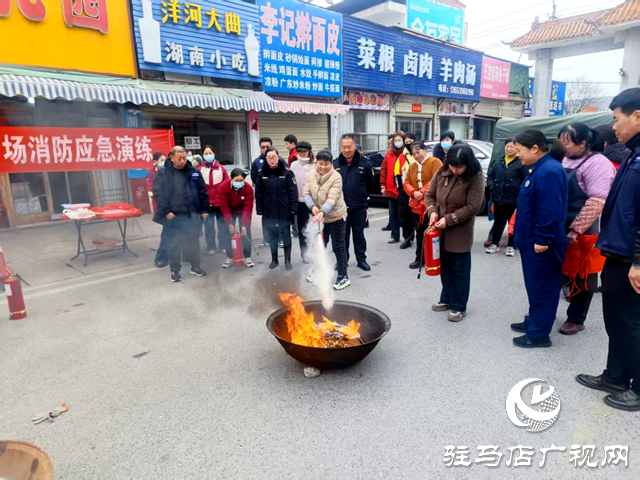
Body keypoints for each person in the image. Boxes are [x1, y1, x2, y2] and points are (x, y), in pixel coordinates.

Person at [577, 88, 640, 411]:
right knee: (616, 319)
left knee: (632, 323)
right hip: (617, 251)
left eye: (617, 119)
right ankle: (615, 376)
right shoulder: (631, 153)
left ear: (637, 116)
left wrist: (639, 261)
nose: (614, 127)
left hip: (633, 257)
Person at [510, 130, 568, 348]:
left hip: (542, 243)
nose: (518, 155)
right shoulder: (538, 169)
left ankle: (539, 334)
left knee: (543, 288)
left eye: (520, 150)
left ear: (535, 148)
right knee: (535, 286)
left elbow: (548, 209)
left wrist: (542, 239)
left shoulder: (549, 171)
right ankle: (533, 321)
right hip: (531, 241)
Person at [557, 123, 616, 335]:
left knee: (583, 276)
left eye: (567, 143)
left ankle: (576, 318)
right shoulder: (563, 159)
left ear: (583, 143)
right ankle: (544, 310)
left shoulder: (598, 163)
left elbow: (596, 201)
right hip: (557, 226)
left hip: (584, 228)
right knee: (555, 272)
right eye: (560, 142)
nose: (563, 147)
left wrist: (576, 230)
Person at [425, 144, 484, 322]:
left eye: (459, 167)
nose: (455, 169)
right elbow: (430, 196)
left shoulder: (476, 177)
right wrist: (433, 211)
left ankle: (459, 305)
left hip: (460, 231)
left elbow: (473, 207)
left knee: (460, 269)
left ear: (468, 164)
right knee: (445, 267)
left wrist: (449, 219)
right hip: (439, 229)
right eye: (452, 165)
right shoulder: (442, 171)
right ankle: (446, 298)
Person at [152, 146, 209, 283]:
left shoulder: (194, 171)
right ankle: (175, 270)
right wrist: (166, 211)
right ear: (171, 157)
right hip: (174, 216)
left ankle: (195, 266)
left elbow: (202, 192)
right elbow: (158, 195)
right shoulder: (164, 173)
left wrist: (204, 209)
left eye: (184, 158)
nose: (183, 161)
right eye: (179, 158)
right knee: (175, 244)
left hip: (192, 214)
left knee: (194, 242)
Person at [303, 149, 350, 290]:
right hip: (319, 217)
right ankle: (318, 271)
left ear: (331, 163)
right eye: (320, 164)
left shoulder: (336, 177)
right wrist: (312, 207)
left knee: (338, 247)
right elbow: (306, 193)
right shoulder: (311, 174)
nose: (323, 167)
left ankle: (343, 276)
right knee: (319, 246)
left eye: (326, 164)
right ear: (316, 162)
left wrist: (322, 211)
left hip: (335, 216)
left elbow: (332, 198)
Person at [334, 134, 375, 271]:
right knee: (342, 238)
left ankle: (361, 260)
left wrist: (362, 197)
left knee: (359, 236)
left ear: (354, 146)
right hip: (341, 209)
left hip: (359, 207)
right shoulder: (335, 164)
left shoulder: (365, 163)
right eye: (344, 147)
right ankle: (342, 261)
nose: (346, 150)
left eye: (349, 147)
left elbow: (371, 184)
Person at [255, 147, 298, 270]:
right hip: (269, 210)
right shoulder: (261, 175)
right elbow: (258, 193)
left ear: (278, 157)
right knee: (272, 236)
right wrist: (260, 208)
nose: (272, 160)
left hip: (284, 209)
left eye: (274, 157)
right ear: (266, 159)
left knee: (285, 236)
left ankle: (287, 260)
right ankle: (274, 259)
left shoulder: (287, 173)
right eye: (269, 158)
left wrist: (293, 208)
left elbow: (293, 192)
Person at [486, 138, 527, 257]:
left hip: (514, 199)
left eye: (511, 147)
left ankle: (511, 246)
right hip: (499, 198)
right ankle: (494, 243)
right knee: (498, 222)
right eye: (507, 146)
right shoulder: (498, 162)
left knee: (513, 224)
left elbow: (526, 180)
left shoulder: (520, 163)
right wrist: (492, 187)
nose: (509, 149)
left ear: (517, 148)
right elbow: (490, 177)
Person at [404, 142, 442, 269]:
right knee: (420, 232)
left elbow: (436, 180)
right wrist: (413, 192)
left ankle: (436, 258)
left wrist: (422, 192)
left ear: (425, 150)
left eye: (418, 152)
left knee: (434, 231)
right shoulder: (412, 166)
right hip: (416, 205)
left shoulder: (435, 162)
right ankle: (420, 258)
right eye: (413, 154)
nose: (416, 156)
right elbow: (407, 182)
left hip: (432, 204)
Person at [219, 168, 255, 269]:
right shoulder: (223, 187)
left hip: (242, 210)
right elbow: (224, 206)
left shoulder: (248, 188)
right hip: (229, 210)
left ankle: (247, 257)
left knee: (246, 232)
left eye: (241, 181)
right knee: (228, 232)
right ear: (231, 179)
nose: (239, 183)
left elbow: (248, 208)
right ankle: (230, 256)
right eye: (236, 181)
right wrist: (229, 223)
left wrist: (244, 224)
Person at [198, 145, 229, 255]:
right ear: (202, 156)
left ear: (214, 154)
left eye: (210, 153)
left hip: (220, 203)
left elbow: (227, 185)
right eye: (206, 154)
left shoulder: (221, 169)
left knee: (222, 226)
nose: (208, 155)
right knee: (209, 227)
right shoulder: (199, 169)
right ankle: (211, 247)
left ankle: (223, 245)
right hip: (207, 204)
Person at [289, 141, 314, 262]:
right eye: (299, 151)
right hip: (300, 201)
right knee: (302, 229)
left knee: (316, 228)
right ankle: (305, 254)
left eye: (304, 151)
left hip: (315, 202)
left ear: (309, 151)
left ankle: (316, 252)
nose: (302, 154)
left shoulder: (316, 163)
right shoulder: (293, 165)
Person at [380, 131, 407, 244]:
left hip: (405, 189)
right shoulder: (389, 154)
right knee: (393, 213)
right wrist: (383, 185)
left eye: (399, 140)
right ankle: (395, 235)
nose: (397, 143)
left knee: (405, 214)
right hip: (391, 188)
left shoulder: (407, 154)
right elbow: (383, 170)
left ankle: (408, 236)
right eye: (395, 141)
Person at [149, 152, 170, 267]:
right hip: (163, 208)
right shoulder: (154, 174)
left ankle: (173, 256)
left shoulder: (170, 171)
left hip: (174, 208)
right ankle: (161, 258)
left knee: (173, 233)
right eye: (161, 160)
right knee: (167, 234)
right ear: (155, 161)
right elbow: (155, 193)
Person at [399, 133, 418, 249]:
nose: (409, 142)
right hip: (406, 191)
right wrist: (401, 189)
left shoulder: (419, 155)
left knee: (417, 217)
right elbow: (397, 173)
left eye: (411, 140)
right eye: (407, 140)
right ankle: (408, 238)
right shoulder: (401, 156)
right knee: (406, 216)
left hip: (419, 192)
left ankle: (421, 237)